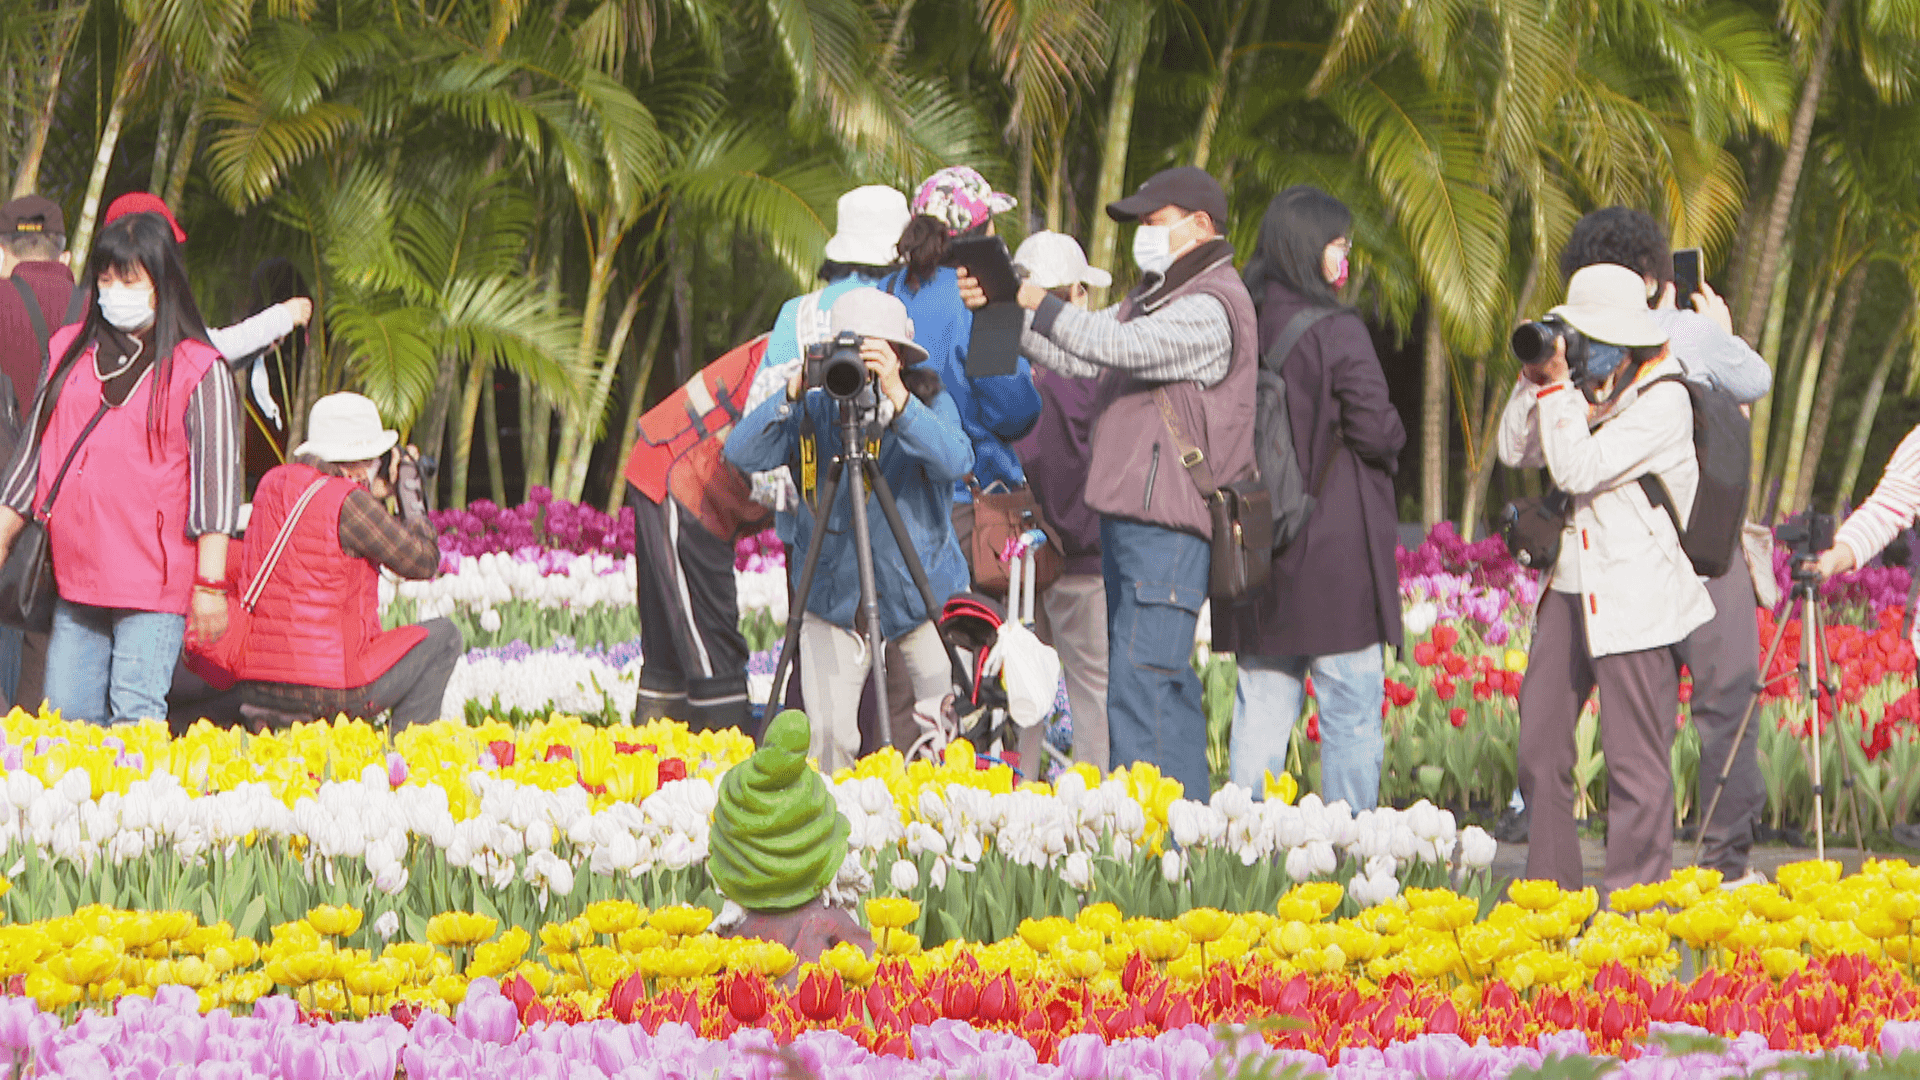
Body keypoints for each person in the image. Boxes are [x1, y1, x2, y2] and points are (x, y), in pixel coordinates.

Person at [958, 165, 1257, 799]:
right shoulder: (1156, 299)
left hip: (1168, 526)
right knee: (1149, 684)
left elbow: (1119, 347)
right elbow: (1080, 359)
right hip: (1135, 523)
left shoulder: (1210, 305)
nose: (1143, 234)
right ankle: (1181, 825)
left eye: (1154, 221)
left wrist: (1033, 300)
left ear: (1200, 225)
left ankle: (1160, 835)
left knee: (1145, 686)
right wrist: (1001, 310)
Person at [627, 187, 913, 733]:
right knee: (710, 653)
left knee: (670, 659)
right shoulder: (858, 314)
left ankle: (661, 765)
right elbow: (764, 433)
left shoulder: (801, 311)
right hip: (684, 476)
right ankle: (715, 761)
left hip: (681, 466)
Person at [1551, 206, 1772, 883]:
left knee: (1638, 742)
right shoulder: (1684, 331)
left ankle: (1632, 886)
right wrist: (1717, 331)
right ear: (1652, 278)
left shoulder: (1565, 344)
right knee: (1726, 706)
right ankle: (1724, 867)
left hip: (1618, 567)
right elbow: (1755, 380)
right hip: (1703, 548)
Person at [1497, 263, 1714, 894]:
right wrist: (1534, 380)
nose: (1578, 346)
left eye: (1589, 336)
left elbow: (1576, 469)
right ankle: (1550, 899)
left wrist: (1557, 393)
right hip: (1569, 587)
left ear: (1624, 341)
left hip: (1638, 596)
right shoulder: (1578, 388)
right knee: (1539, 749)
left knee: (1634, 765)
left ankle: (1635, 916)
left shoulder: (1663, 398)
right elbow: (1515, 450)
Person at [0, 213, 240, 724]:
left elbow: (216, 488)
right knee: (67, 720)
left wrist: (210, 588)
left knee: (135, 716)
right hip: (75, 575)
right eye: (105, 279)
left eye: (129, 280)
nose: (114, 292)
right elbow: (33, 457)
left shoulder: (200, 368)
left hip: (154, 584)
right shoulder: (68, 351)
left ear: (163, 283)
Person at [725, 288, 972, 770]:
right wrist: (794, 390)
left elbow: (957, 461)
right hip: (833, 599)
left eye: (872, 354)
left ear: (898, 356)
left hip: (920, 596)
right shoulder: (816, 411)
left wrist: (899, 398)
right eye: (850, 354)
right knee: (828, 739)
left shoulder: (925, 400)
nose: (859, 369)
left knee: (946, 732)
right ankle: (839, 813)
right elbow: (740, 452)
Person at [1216, 186, 1405, 810]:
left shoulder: (1237, 321)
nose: (1343, 258)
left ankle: (1243, 850)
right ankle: (1351, 852)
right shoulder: (1338, 331)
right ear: (1308, 247)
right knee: (1349, 712)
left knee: (1261, 714)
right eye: (1337, 245)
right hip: (1334, 556)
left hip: (1254, 547)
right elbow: (1377, 430)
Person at [222, 394, 460, 730]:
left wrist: (371, 492)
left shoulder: (272, 483)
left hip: (256, 682)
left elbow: (319, 519)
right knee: (445, 637)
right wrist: (410, 490)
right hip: (330, 688)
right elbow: (423, 561)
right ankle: (405, 753)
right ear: (360, 463)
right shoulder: (350, 503)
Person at [888, 167, 1041, 557]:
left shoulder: (885, 292)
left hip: (888, 502)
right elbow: (1015, 414)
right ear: (981, 235)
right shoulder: (980, 300)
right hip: (965, 507)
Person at [1009, 231, 1113, 771]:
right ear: (1074, 294)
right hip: (1081, 559)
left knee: (1025, 689)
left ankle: (1021, 789)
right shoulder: (1088, 373)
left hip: (1016, 556)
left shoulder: (1006, 364)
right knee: (1092, 690)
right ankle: (1095, 804)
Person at [0, 196, 75, 712]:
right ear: (64, 254)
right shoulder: (95, 307)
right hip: (74, 506)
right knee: (52, 644)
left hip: (6, 500)